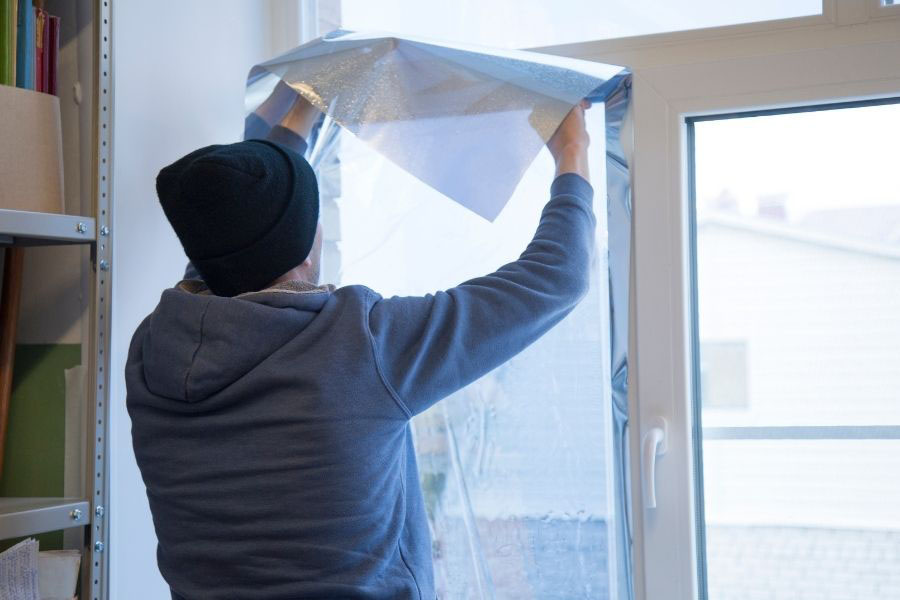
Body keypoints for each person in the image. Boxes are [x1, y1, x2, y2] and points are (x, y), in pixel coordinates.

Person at [126, 90, 596, 600]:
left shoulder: (154, 349)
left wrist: (302, 110)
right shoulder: (361, 346)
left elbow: (223, 234)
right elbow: (555, 277)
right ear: (307, 246)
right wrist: (572, 149)